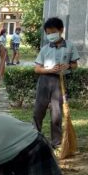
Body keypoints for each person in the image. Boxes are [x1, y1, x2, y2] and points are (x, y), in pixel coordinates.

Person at [33, 17, 80, 149]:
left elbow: (75, 64)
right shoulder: (45, 49)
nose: (50, 35)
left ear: (61, 30)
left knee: (57, 112)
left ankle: (57, 141)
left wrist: (68, 66)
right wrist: (49, 69)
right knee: (38, 110)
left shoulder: (70, 46)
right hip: (44, 80)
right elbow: (37, 68)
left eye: (52, 32)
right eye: (47, 33)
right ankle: (34, 138)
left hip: (59, 82)